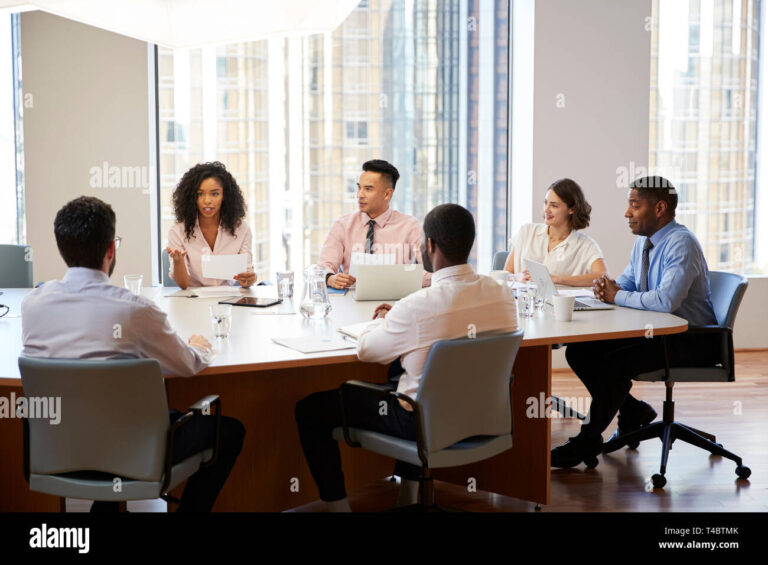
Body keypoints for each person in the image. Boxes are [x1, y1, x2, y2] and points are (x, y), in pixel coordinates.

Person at [22, 196, 246, 511]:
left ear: (62, 249)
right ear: (111, 249)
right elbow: (186, 365)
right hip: (133, 451)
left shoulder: (33, 305)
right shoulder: (133, 310)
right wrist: (198, 344)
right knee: (230, 431)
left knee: (108, 415)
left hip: (58, 447)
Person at [295, 204, 518, 511]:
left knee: (311, 410)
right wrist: (400, 323)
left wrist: (387, 322)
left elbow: (367, 351)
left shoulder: (417, 306)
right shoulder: (503, 294)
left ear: (430, 246)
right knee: (404, 372)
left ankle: (340, 508)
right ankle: (408, 495)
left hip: (419, 423)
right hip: (484, 417)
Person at [551, 176, 720, 468]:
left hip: (691, 340)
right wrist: (608, 289)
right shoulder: (643, 242)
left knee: (617, 363)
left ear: (659, 208)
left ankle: (588, 439)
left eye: (634, 205)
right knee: (580, 351)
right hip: (658, 334)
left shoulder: (681, 244)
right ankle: (634, 412)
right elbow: (628, 283)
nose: (627, 213)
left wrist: (617, 296)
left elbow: (665, 302)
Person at [319, 159, 428, 289]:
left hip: (395, 302)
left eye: (368, 189)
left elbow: (431, 273)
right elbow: (323, 268)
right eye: (359, 187)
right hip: (351, 300)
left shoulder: (410, 226)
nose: (360, 195)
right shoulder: (342, 225)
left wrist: (397, 281)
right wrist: (330, 278)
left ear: (387, 194)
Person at [167, 161, 255, 289]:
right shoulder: (177, 231)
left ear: (225, 196)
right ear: (192, 197)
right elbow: (183, 284)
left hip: (228, 300)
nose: (207, 201)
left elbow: (246, 276)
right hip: (192, 300)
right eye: (200, 194)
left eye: (214, 194)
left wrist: (249, 279)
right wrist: (178, 261)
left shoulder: (242, 229)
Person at [504, 178, 607, 286]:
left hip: (559, 302)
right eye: (546, 203)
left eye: (554, 205)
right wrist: (518, 277)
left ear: (571, 209)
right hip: (524, 300)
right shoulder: (527, 232)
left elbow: (602, 276)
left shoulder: (585, 245)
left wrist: (558, 279)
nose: (546, 210)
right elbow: (506, 274)